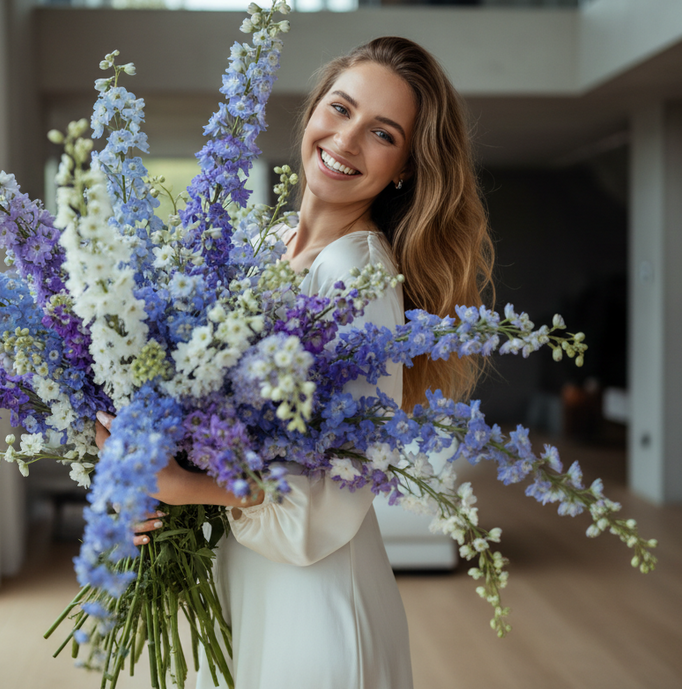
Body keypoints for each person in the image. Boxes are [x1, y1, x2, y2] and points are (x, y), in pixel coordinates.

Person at [94, 36, 494, 689]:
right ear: (313, 112)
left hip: (312, 609)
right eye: (340, 109)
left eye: (382, 132)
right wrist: (135, 459)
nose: (346, 139)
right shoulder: (267, 248)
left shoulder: (355, 275)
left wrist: (183, 486)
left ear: (403, 169)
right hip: (245, 581)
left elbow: (336, 483)